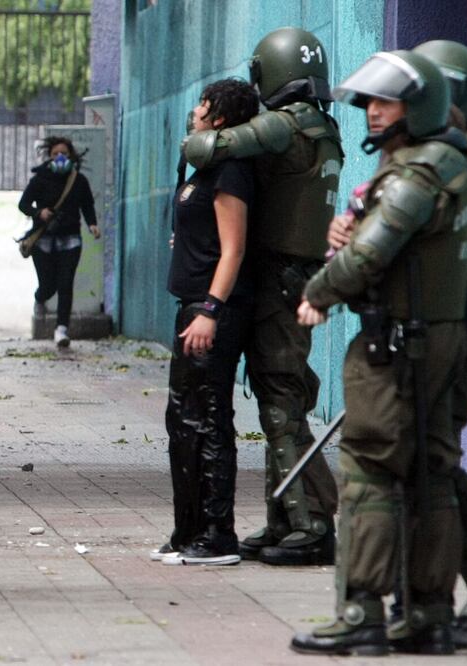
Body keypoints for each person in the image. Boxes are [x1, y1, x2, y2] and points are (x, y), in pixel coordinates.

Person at [327, 41, 467, 646]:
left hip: (455, 322)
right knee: (420, 458)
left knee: (429, 461)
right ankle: (440, 596)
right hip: (422, 319)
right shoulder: (429, 149)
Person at [290, 50, 467, 656]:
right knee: (431, 473)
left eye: (384, 101)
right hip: (432, 336)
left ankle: (361, 611)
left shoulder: (417, 173)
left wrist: (319, 291)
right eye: (369, 101)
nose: (372, 112)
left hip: (396, 343)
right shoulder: (445, 162)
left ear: (416, 104)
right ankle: (429, 613)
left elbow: (371, 253)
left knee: (370, 471)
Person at [182, 27, 342, 566]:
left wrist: (210, 125)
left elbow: (207, 146)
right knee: (285, 396)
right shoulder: (325, 127)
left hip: (279, 279)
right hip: (296, 277)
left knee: (280, 403)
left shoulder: (285, 124)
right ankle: (286, 518)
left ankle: (312, 522)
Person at [154, 79, 259, 566]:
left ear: (219, 118)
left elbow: (234, 250)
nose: (193, 111)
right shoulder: (203, 166)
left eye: (202, 104)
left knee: (210, 419)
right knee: (182, 421)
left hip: (211, 312)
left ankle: (218, 535)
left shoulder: (231, 172)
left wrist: (211, 312)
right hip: (190, 308)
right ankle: (187, 531)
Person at [18, 136, 101, 348]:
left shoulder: (78, 180)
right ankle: (40, 297)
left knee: (65, 283)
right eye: (55, 154)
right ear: (50, 156)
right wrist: (39, 212)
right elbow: (23, 204)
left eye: (64, 153)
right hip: (43, 240)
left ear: (71, 155)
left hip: (70, 239)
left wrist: (92, 224)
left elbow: (87, 205)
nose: (60, 157)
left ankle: (62, 329)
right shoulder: (40, 179)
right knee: (48, 285)